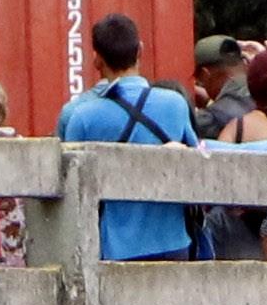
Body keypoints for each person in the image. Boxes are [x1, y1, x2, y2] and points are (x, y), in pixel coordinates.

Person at [56, 14, 202, 261]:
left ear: (97, 60)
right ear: (140, 50)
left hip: (116, 248)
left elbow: (69, 188)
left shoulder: (81, 116)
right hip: (173, 242)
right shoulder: (176, 105)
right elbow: (197, 159)